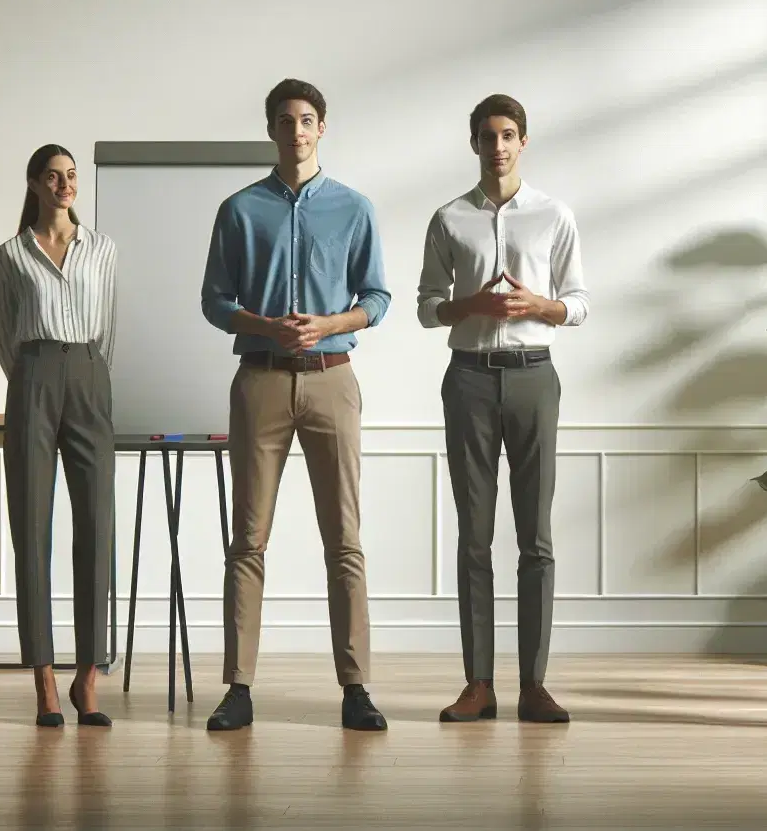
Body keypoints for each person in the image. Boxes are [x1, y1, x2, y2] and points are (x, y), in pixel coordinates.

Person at [199, 78, 391, 732]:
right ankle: (238, 686)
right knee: (247, 539)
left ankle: (357, 686)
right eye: (287, 120)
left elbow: (378, 298)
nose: (298, 130)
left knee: (345, 538)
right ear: (272, 129)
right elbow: (213, 301)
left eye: (308, 120)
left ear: (322, 128)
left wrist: (331, 323)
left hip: (333, 379)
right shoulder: (239, 210)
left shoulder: (354, 208)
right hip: (259, 378)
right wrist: (262, 323)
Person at [416, 94, 589, 724]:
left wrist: (536, 306)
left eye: (509, 135)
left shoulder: (553, 215)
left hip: (534, 377)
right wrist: (472, 307)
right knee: (474, 537)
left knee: (536, 539)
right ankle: (478, 683)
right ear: (474, 143)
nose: (498, 146)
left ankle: (535, 684)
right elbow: (427, 305)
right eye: (488, 136)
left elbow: (578, 303)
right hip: (467, 379)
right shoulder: (449, 219)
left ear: (523, 142)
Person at [0, 144, 118, 728]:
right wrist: (34, 377)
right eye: (54, 176)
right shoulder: (9, 256)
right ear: (34, 184)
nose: (65, 184)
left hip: (90, 374)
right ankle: (42, 676)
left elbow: (110, 327)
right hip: (33, 376)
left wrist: (86, 374)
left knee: (96, 526)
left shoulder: (103, 249)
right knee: (31, 526)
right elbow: (2, 333)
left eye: (71, 176)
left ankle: (86, 677)